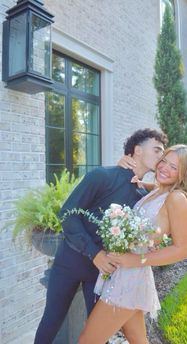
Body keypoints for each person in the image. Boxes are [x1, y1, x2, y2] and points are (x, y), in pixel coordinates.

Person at [34, 128, 167, 344]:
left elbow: (167, 193)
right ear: (137, 151)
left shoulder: (142, 197)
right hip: (69, 262)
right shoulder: (101, 176)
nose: (161, 157)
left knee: (98, 333)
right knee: (51, 320)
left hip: (102, 275)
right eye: (157, 150)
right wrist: (94, 252)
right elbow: (68, 214)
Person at [79, 144, 187, 344]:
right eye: (164, 161)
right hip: (124, 273)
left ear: (183, 174)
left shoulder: (177, 199)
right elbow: (152, 192)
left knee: (87, 341)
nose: (164, 168)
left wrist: (134, 259)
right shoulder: (160, 191)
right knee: (137, 340)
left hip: (130, 278)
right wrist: (132, 176)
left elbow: (181, 250)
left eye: (174, 167)